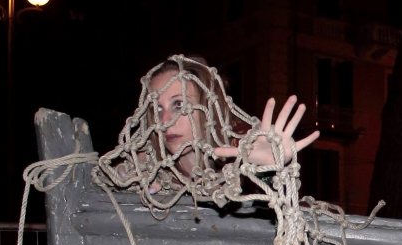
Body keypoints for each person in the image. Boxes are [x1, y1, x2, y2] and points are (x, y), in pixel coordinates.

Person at [117, 55, 320, 189]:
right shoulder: (147, 165)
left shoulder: (238, 151)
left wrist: (270, 169)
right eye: (157, 109)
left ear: (209, 106)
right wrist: (124, 175)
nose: (165, 122)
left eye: (179, 105)